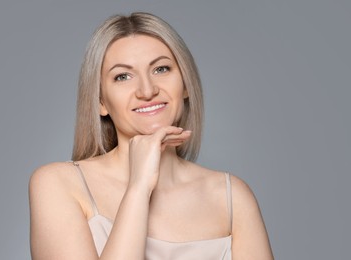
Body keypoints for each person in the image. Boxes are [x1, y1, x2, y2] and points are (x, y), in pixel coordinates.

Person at [29, 12, 274, 260]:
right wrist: (139, 187)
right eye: (122, 76)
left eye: (161, 69)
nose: (147, 91)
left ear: (186, 84)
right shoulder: (59, 184)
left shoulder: (231, 197)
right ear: (101, 102)